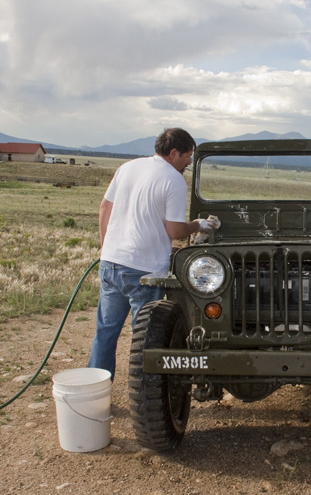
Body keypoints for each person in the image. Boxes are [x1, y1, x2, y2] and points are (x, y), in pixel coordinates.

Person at [88, 128, 217, 379]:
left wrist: (107, 247)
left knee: (105, 332)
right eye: (188, 156)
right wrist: (197, 224)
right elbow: (176, 230)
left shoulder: (128, 167)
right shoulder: (174, 180)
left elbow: (105, 207)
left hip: (111, 262)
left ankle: (97, 393)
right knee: (145, 338)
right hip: (144, 270)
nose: (189, 162)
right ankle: (144, 392)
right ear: (173, 153)